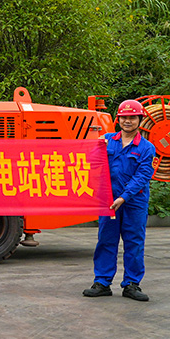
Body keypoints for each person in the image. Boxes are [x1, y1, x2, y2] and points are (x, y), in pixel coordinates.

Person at [83, 99, 155, 302]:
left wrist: (123, 197)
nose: (128, 121)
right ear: (118, 120)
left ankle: (132, 284)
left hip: (134, 203)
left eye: (132, 117)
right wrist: (96, 148)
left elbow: (142, 176)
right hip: (108, 201)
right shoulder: (107, 140)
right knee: (106, 240)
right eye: (124, 117)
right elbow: (90, 162)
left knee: (134, 243)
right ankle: (102, 283)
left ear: (139, 120)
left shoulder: (146, 148)